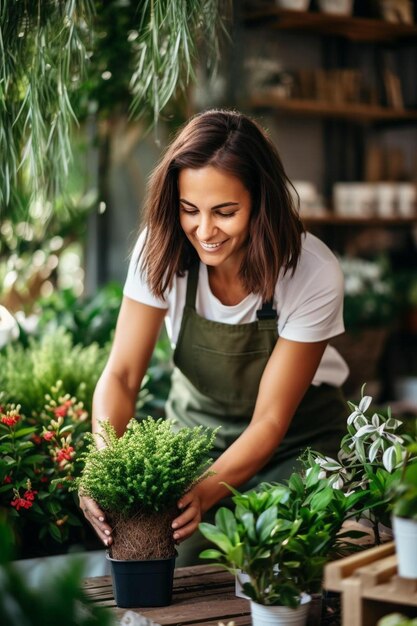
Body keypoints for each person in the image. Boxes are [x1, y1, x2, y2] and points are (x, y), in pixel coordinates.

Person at [80, 108, 349, 565]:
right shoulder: (160, 249)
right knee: (166, 561)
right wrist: (107, 470)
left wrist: (204, 493)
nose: (204, 231)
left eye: (225, 212)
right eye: (190, 210)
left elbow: (268, 421)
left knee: (275, 560)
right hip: (197, 435)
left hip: (295, 442)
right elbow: (122, 377)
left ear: (261, 202)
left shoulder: (310, 271)